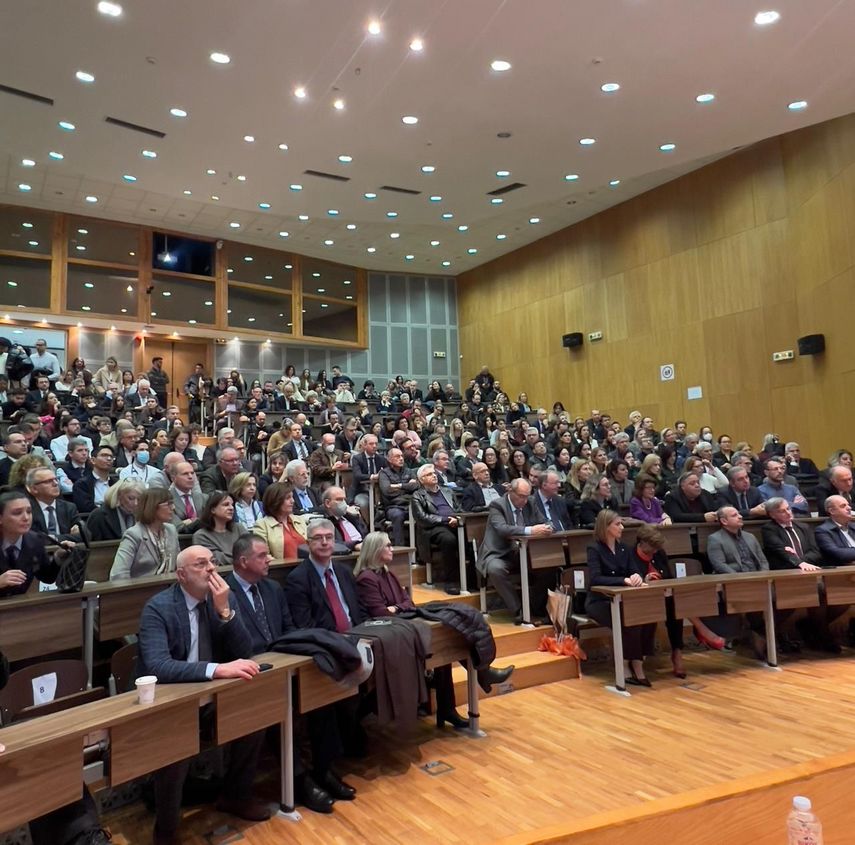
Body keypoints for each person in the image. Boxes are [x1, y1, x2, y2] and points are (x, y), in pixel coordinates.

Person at [137, 545, 270, 844]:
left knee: (255, 713)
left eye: (212, 562)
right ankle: (166, 830)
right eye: (200, 564)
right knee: (177, 741)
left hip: (210, 695)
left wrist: (225, 612)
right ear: (181, 575)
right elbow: (158, 666)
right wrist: (216, 669)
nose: (211, 568)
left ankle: (235, 795)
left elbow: (245, 651)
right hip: (170, 701)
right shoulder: (158, 607)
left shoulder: (222, 599)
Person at [225, 534, 356, 813]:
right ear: (243, 561)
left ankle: (324, 769)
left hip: (284, 663)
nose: (269, 559)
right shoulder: (225, 594)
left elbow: (289, 630)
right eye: (262, 556)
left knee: (320, 691)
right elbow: (228, 646)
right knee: (272, 707)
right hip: (248, 674)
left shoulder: (272, 588)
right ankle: (299, 781)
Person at [354, 532, 513, 726]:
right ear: (375, 550)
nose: (392, 549)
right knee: (441, 641)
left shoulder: (387, 573)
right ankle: (480, 677)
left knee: (448, 633)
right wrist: (399, 608)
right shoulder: (367, 578)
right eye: (387, 545)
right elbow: (381, 612)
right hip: (388, 633)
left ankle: (452, 704)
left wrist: (396, 607)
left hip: (402, 621)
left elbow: (408, 602)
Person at [761, 497, 844, 652]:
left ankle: (814, 629)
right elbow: (779, 550)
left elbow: (815, 552)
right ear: (772, 515)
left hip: (809, 572)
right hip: (785, 575)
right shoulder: (769, 529)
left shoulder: (803, 526)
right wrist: (798, 563)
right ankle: (822, 636)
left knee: (837, 596)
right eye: (782, 511)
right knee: (812, 595)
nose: (788, 513)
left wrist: (800, 561)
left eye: (788, 508)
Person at [586, 509, 656, 685]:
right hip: (600, 601)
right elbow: (595, 578)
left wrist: (637, 576)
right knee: (629, 620)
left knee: (649, 617)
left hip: (624, 600)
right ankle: (625, 664)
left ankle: (638, 661)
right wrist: (623, 580)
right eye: (617, 524)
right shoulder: (594, 549)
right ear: (606, 527)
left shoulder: (624, 548)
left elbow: (634, 570)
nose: (622, 527)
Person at [476, 478, 553, 623]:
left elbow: (545, 521)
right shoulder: (497, 505)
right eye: (521, 496)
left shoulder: (530, 502)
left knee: (548, 566)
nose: (525, 500)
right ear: (510, 491)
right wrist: (530, 530)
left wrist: (547, 527)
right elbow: (502, 529)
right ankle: (518, 610)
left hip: (524, 552)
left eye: (527, 496)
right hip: (499, 553)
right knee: (495, 569)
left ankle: (536, 607)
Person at [706, 505, 771, 659]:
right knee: (753, 604)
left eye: (739, 514)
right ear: (724, 521)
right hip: (735, 582)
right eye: (735, 515)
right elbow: (719, 565)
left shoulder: (750, 537)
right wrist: (740, 580)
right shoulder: (715, 539)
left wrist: (763, 576)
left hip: (758, 580)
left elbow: (763, 561)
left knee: (782, 600)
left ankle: (756, 633)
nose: (740, 516)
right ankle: (755, 637)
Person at [0, 491, 65, 597]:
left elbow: (47, 578)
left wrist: (57, 558)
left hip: (21, 604)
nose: (26, 518)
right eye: (17, 513)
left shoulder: (35, 540)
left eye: (29, 511)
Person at [110, 487, 179, 579]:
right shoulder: (134, 534)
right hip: (143, 587)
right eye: (168, 504)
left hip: (170, 585)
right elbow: (118, 574)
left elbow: (178, 564)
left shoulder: (171, 530)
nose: (173, 508)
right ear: (153, 506)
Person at [411, 464, 461, 588]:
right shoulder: (417, 495)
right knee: (448, 539)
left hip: (455, 523)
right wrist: (445, 520)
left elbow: (459, 509)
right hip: (432, 528)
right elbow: (422, 518)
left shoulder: (448, 491)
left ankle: (472, 577)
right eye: (429, 474)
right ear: (422, 480)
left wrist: (458, 518)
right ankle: (451, 582)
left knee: (470, 537)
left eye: (434, 473)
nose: (434, 475)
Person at [25, 466, 80, 543]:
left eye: (55, 479)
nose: (55, 483)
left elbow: (83, 535)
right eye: (48, 481)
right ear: (34, 489)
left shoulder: (69, 507)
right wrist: (61, 538)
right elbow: (30, 539)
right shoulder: (26, 509)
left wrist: (54, 538)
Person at [253, 481, 307, 559]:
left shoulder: (300, 520)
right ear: (276, 501)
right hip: (280, 566)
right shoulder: (262, 525)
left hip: (305, 565)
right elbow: (264, 555)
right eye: (288, 498)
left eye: (292, 497)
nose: (293, 501)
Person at [192, 490, 248, 565]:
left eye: (232, 505)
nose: (231, 508)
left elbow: (251, 551)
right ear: (213, 510)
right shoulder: (201, 536)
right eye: (226, 505)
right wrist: (244, 558)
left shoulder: (239, 528)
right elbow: (217, 559)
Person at [377, 447, 419, 546]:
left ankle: (419, 550)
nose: (401, 459)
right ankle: (400, 548)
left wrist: (399, 486)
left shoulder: (409, 471)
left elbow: (416, 486)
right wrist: (407, 487)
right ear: (389, 459)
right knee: (397, 515)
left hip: (410, 504)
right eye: (397, 456)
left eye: (402, 456)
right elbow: (387, 490)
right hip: (393, 506)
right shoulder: (384, 473)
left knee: (423, 513)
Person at [349, 433, 387, 518]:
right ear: (365, 445)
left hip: (379, 492)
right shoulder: (357, 458)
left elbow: (388, 473)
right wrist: (373, 476)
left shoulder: (381, 459)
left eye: (376, 444)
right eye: (371, 444)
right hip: (362, 491)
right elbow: (358, 475)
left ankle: (379, 523)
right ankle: (368, 524)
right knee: (364, 503)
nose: (374, 446)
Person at [72, 443, 117, 513]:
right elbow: (84, 507)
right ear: (93, 460)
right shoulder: (82, 484)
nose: (109, 459)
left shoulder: (116, 483)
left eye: (111, 456)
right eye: (104, 455)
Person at [815, 495, 855, 564]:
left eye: (848, 505)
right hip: (842, 569)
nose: (849, 508)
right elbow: (838, 554)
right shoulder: (822, 530)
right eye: (843, 506)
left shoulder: (853, 526)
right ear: (832, 511)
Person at [168, 460, 205, 533]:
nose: (190, 477)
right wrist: (197, 520)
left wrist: (189, 521)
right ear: (173, 478)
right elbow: (176, 527)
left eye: (192, 473)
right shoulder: (166, 500)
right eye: (185, 474)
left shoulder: (203, 498)